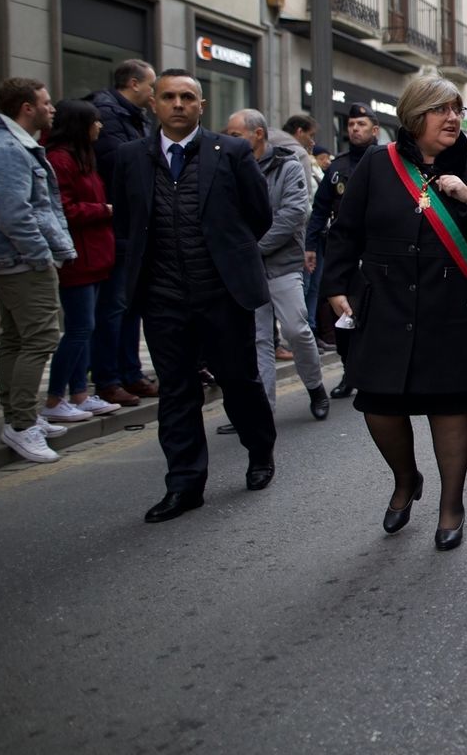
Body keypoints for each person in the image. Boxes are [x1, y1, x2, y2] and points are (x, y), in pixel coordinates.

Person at [322, 76, 467, 550]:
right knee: (379, 408)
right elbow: (345, 231)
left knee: (449, 407)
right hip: (385, 304)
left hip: (451, 307)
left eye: (456, 110)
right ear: (414, 118)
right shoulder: (377, 165)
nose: (452, 118)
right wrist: (334, 286)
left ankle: (451, 505)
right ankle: (406, 478)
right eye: (440, 110)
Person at [109, 71, 275, 522]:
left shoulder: (231, 152)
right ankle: (184, 485)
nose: (178, 104)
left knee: (239, 382)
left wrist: (225, 254)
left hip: (222, 293)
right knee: (177, 392)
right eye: (169, 97)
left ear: (201, 106)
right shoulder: (130, 157)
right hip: (163, 297)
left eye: (187, 97)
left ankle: (260, 451)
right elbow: (126, 223)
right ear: (154, 104)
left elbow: (258, 215)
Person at [223, 109, 330, 423]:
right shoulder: (228, 167)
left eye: (235, 135)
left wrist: (253, 248)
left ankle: (315, 387)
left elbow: (294, 214)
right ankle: (263, 411)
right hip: (247, 270)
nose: (229, 141)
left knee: (297, 330)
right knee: (259, 339)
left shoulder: (289, 166)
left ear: (257, 134)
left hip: (282, 264)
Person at [0, 78, 75, 463]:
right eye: (46, 102)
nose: (51, 108)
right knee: (41, 337)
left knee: (16, 337)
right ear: (27, 108)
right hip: (21, 261)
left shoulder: (16, 145)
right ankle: (22, 425)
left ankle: (18, 417)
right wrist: (41, 256)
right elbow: (14, 213)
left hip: (15, 259)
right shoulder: (9, 149)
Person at [42, 99, 119, 426]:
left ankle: (79, 394)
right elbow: (64, 208)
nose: (100, 126)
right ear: (80, 125)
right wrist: (104, 210)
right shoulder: (60, 160)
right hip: (78, 258)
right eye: (95, 121)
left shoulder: (83, 157)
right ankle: (54, 398)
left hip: (95, 255)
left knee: (86, 328)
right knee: (78, 328)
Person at [88, 58, 158, 408]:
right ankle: (108, 378)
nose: (154, 93)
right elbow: (122, 163)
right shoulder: (107, 115)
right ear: (133, 84)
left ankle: (131, 373)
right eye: (152, 85)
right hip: (116, 226)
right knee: (114, 306)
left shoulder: (136, 117)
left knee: (131, 304)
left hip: (135, 225)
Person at [306, 104, 379, 395]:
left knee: (377, 312)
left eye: (361, 124)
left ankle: (378, 369)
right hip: (343, 252)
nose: (355, 129)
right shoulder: (337, 167)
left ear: (375, 129)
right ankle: (350, 371)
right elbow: (320, 209)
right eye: (351, 124)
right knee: (342, 314)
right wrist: (311, 246)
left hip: (378, 250)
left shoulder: (388, 162)